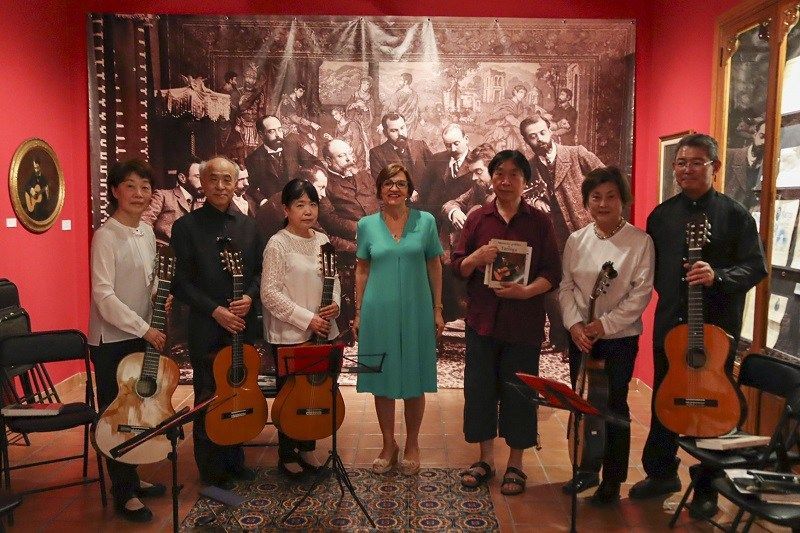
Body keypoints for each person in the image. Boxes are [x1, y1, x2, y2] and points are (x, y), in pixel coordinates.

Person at [629, 134, 767, 520]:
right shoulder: (660, 216)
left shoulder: (736, 215)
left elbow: (756, 267)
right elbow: (651, 270)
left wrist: (718, 276)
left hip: (715, 331)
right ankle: (661, 473)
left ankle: (706, 486)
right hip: (671, 322)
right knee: (665, 397)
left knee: (711, 409)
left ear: (715, 168)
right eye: (681, 162)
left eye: (696, 162)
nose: (686, 169)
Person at [450, 150, 561, 496]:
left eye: (514, 174)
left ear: (525, 181)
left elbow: (553, 273)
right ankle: (485, 460)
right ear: (492, 178)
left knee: (519, 393)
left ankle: (516, 464)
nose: (505, 180)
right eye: (499, 173)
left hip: (523, 324)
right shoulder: (477, 218)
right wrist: (476, 257)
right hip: (482, 320)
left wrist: (526, 291)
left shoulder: (539, 221)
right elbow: (457, 267)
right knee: (480, 390)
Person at [557, 167, 654, 504]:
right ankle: (585, 469)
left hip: (619, 339)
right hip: (581, 337)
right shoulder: (576, 240)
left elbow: (640, 294)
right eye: (596, 197)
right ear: (586, 201)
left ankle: (612, 480)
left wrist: (605, 325)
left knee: (614, 405)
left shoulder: (639, 242)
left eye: (611, 196)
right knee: (584, 401)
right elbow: (566, 287)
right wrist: (575, 325)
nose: (603, 203)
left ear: (622, 199)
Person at [171, 156, 265, 489]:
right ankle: (211, 470)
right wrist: (215, 311)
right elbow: (180, 283)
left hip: (241, 325)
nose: (221, 186)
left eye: (228, 180)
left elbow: (260, 273)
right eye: (214, 179)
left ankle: (235, 460)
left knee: (238, 389)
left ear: (236, 182)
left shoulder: (249, 226)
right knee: (209, 395)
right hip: (207, 326)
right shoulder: (186, 227)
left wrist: (250, 297)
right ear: (203, 182)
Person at [88, 159, 167, 522]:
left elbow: (148, 281)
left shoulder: (146, 232)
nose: (139, 193)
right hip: (112, 340)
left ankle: (132, 477)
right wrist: (143, 327)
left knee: (138, 408)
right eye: (131, 186)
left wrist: (159, 298)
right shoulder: (106, 236)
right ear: (116, 191)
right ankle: (123, 491)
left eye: (145, 187)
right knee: (116, 414)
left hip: (142, 332)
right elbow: (104, 297)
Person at [353, 163, 444, 476]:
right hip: (378, 312)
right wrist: (358, 312)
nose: (394, 188)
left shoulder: (426, 221)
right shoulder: (366, 225)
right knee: (382, 379)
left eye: (401, 184)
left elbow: (435, 265)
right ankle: (388, 444)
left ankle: (412, 444)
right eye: (388, 183)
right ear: (379, 189)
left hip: (417, 310)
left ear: (409, 190)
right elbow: (362, 270)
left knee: (415, 378)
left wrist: (437, 308)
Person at [261, 178, 341, 477]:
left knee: (316, 393)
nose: (308, 211)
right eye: (300, 205)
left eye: (312, 204)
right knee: (291, 395)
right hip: (290, 333)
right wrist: (308, 319)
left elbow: (333, 280)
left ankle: (307, 448)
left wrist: (335, 305)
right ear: (286, 209)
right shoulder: (277, 244)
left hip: (323, 330)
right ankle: (287, 454)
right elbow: (269, 293)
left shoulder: (322, 240)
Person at [521, 115, 604, 357]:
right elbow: (521, 195)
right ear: (526, 140)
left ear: (550, 130)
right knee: (555, 288)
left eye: (542, 133)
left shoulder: (577, 154)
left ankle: (586, 341)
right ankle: (562, 339)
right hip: (551, 236)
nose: (539, 139)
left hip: (583, 230)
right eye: (532, 137)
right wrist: (534, 201)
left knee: (586, 286)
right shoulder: (528, 166)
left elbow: (608, 181)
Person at [245, 115, 320, 206]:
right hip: (273, 206)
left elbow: (315, 163)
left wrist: (308, 179)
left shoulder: (293, 147)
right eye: (272, 131)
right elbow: (251, 188)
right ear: (261, 135)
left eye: (279, 130)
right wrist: (264, 201)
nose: (278, 135)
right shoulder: (253, 159)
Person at [368, 113, 433, 202]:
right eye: (394, 131)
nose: (400, 133)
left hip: (427, 201)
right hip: (399, 204)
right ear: (385, 133)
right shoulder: (377, 154)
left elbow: (435, 172)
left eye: (402, 128)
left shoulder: (420, 145)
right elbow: (381, 184)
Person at [141, 157, 203, 246]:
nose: (203, 182)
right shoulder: (163, 196)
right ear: (182, 178)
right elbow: (144, 222)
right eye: (198, 177)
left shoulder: (201, 205)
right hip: (162, 251)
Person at [725, 118, 765, 210]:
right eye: (762, 137)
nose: (764, 142)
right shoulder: (729, 155)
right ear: (755, 135)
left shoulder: (773, 165)